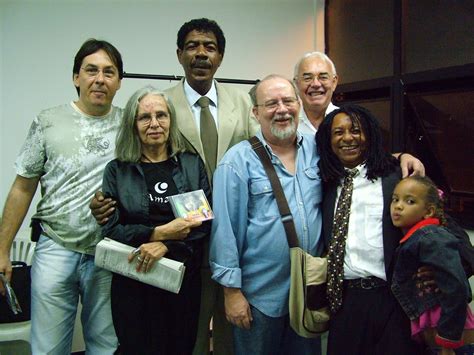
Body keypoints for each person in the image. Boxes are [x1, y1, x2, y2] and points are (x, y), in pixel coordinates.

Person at [91, 18, 259, 355]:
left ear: (220, 56)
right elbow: (114, 221)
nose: (201, 54)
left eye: (209, 47)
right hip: (158, 260)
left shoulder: (242, 104)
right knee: (184, 338)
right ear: (180, 54)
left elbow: (265, 154)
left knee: (226, 335)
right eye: (193, 46)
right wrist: (156, 235)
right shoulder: (159, 101)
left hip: (225, 235)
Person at [0, 39, 122, 354]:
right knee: (48, 348)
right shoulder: (48, 121)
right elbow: (22, 187)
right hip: (56, 248)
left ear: (119, 81)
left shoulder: (129, 124)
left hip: (110, 252)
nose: (100, 79)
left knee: (107, 346)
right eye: (91, 70)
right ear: (75, 77)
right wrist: (1, 250)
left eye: (109, 72)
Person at [209, 74, 323, 354]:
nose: (282, 109)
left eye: (288, 101)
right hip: (259, 298)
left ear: (299, 104)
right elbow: (225, 233)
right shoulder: (236, 162)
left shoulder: (319, 149)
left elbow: (361, 158)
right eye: (271, 103)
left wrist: (401, 157)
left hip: (310, 292)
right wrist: (232, 293)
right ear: (256, 113)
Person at [101, 86, 210, 354]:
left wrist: (166, 246)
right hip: (133, 280)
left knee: (180, 347)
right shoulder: (118, 170)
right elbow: (112, 228)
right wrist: (158, 233)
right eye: (144, 117)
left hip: (181, 280)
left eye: (161, 115)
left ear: (171, 120)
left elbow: (202, 225)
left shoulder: (190, 164)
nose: (154, 124)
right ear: (133, 124)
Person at [317, 104, 422, 354]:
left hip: (393, 299)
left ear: (370, 135)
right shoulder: (325, 181)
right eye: (338, 132)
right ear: (328, 141)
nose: (347, 138)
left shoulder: (398, 176)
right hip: (345, 301)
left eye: (355, 130)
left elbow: (441, 225)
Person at [293, 51, 422, 178]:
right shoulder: (289, 126)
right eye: (307, 78)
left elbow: (373, 158)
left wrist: (401, 158)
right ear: (296, 83)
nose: (315, 84)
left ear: (334, 82)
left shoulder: (354, 122)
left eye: (323, 77)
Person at [390, 176, 474, 355]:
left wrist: (447, 341)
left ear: (428, 211)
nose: (398, 206)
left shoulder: (432, 237)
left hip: (449, 339)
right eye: (395, 199)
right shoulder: (415, 237)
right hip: (437, 335)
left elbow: (456, 288)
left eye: (410, 201)